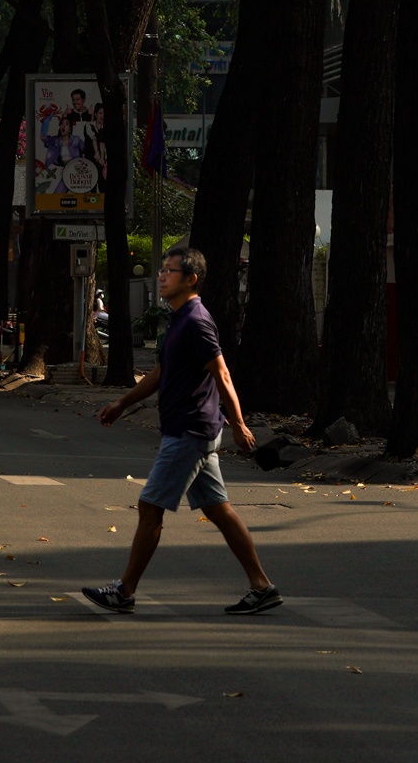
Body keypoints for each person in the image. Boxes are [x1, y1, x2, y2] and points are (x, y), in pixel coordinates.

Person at [81, 246, 280, 616]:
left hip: (190, 430)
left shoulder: (196, 321)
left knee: (150, 505)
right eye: (163, 270)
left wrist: (238, 423)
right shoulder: (177, 319)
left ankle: (124, 590)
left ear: (191, 279)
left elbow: (221, 373)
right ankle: (261, 585)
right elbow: (160, 372)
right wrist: (123, 404)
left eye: (171, 271)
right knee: (219, 510)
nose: (162, 276)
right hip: (190, 428)